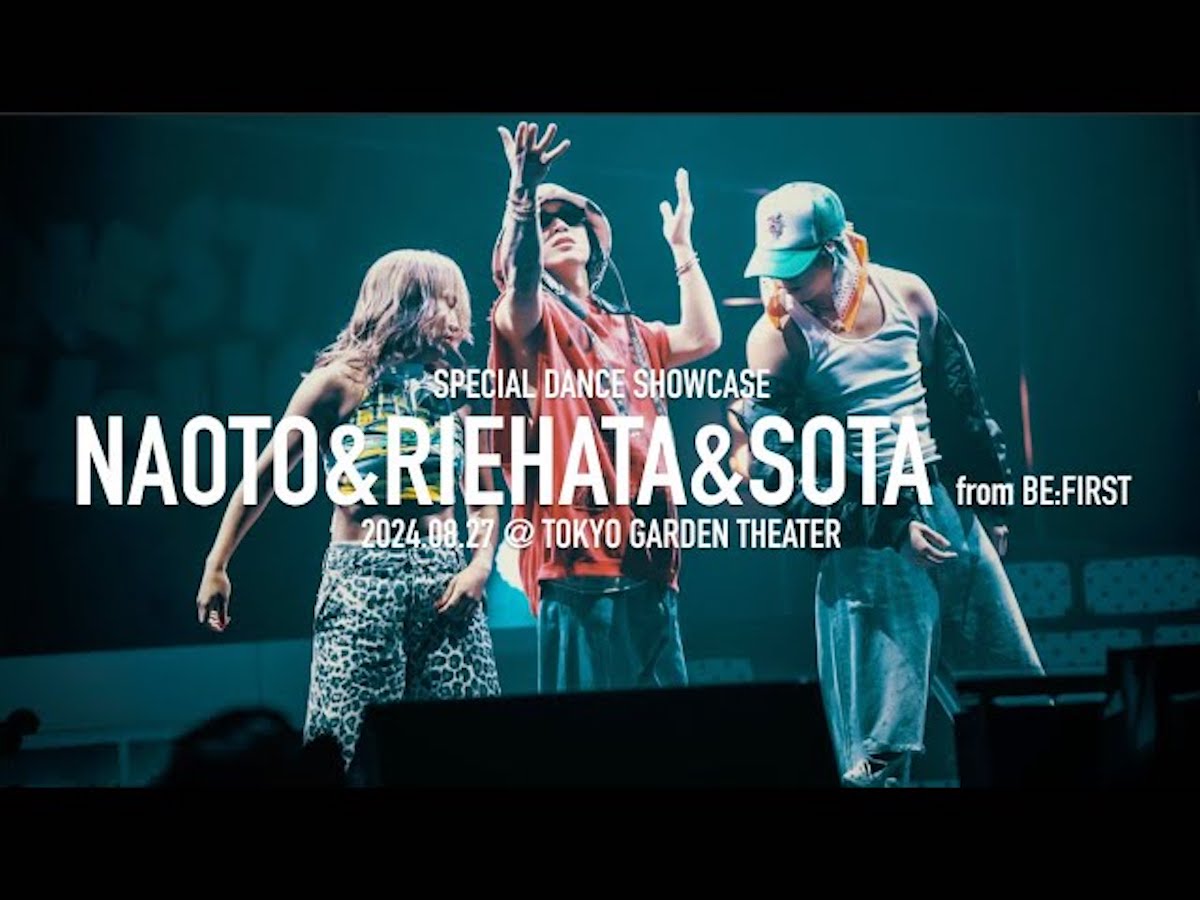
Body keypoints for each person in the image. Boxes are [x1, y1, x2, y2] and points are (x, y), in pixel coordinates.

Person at [729, 182, 1044, 786]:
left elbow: (958, 400)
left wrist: (990, 496)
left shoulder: (907, 294)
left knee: (1015, 698)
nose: (784, 283)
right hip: (864, 529)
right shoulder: (776, 337)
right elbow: (780, 466)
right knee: (880, 742)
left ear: (837, 247)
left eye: (798, 267)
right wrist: (891, 526)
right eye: (775, 268)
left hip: (942, 506)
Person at [196, 249, 501, 769]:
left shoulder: (455, 390)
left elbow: (483, 494)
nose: (456, 318)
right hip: (362, 582)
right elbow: (265, 476)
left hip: (445, 583)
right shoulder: (336, 383)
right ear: (405, 304)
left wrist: (480, 565)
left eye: (459, 304)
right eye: (445, 302)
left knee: (465, 746)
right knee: (346, 746)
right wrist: (216, 564)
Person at [487, 121, 722, 693]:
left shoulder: (627, 327)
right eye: (544, 223)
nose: (558, 226)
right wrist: (522, 196)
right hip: (577, 562)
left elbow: (703, 336)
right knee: (584, 733)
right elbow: (520, 281)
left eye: (569, 218)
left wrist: (682, 249)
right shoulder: (528, 317)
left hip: (648, 556)